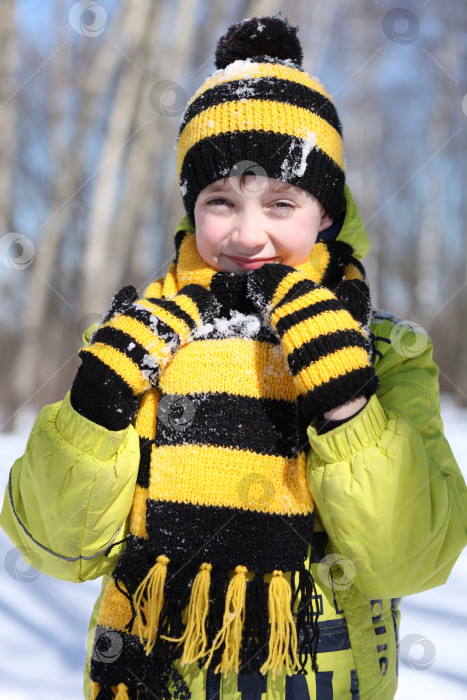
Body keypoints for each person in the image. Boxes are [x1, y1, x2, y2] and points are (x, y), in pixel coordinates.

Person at [2, 15, 466, 700]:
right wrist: (94, 413)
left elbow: (409, 561)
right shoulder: (141, 339)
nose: (248, 234)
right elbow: (58, 551)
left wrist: (348, 409)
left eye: (281, 201)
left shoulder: (385, 353)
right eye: (221, 201)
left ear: (326, 216)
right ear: (194, 209)